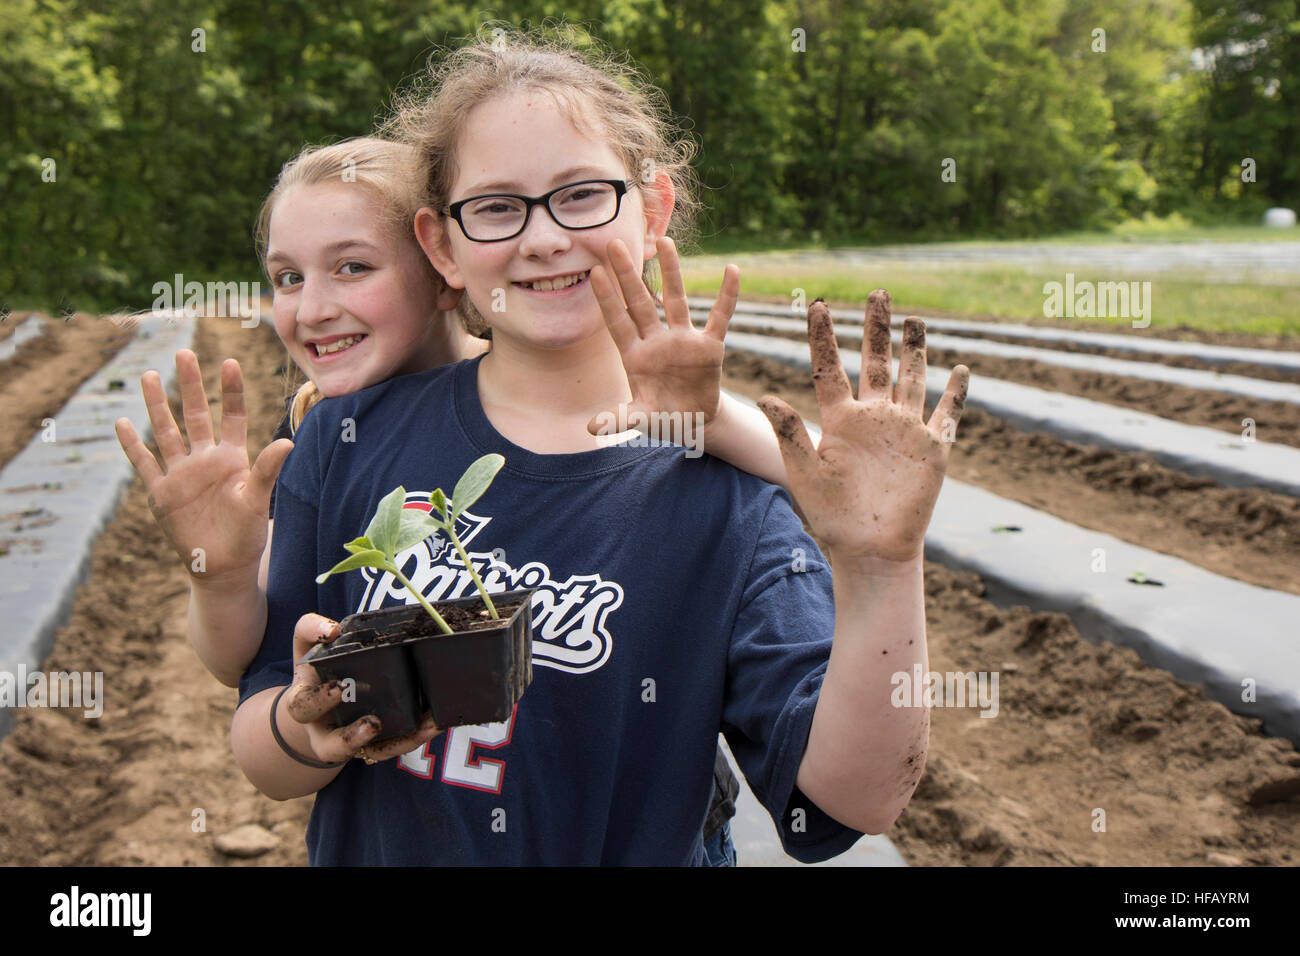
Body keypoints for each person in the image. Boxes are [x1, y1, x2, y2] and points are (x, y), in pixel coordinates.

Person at [229, 27, 969, 865]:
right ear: (443, 244)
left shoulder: (727, 496)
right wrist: (301, 731)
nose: (544, 239)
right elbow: (261, 739)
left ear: (652, 210)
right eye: (498, 207)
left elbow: (853, 800)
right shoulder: (347, 441)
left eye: (582, 195)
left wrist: (880, 567)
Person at [115, 134, 770, 863]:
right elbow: (248, 662)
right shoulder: (321, 434)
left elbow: (758, 462)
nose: (312, 308)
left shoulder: (556, 414)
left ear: (442, 267)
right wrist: (222, 577)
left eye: (353, 267)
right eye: (287, 277)